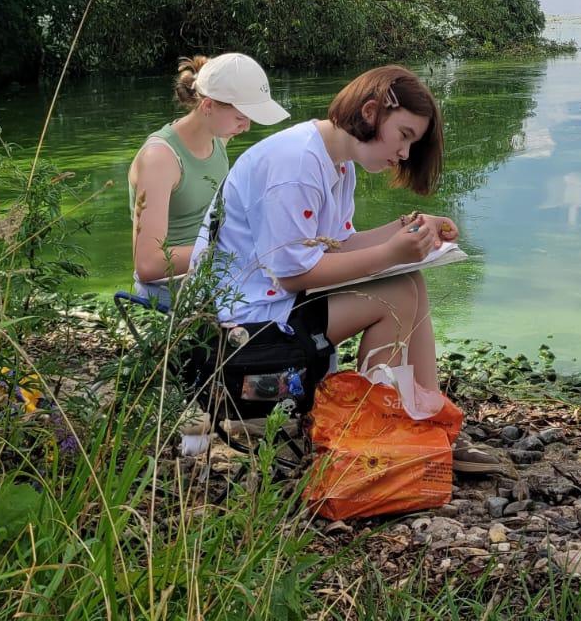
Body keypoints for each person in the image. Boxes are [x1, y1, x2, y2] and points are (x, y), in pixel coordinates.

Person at [193, 64, 502, 472]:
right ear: (371, 112)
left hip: (274, 309)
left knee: (408, 280)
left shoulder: (336, 164)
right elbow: (293, 273)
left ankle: (425, 421)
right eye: (404, 136)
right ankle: (375, 434)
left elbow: (336, 247)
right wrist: (392, 253)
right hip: (243, 336)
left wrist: (408, 229)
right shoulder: (296, 164)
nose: (404, 154)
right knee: (395, 291)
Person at [129, 53, 289, 302]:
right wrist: (233, 251)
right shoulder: (160, 159)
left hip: (212, 270)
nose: (246, 127)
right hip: (169, 286)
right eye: (240, 117)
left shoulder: (218, 135)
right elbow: (148, 265)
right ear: (207, 106)